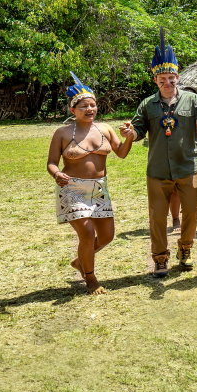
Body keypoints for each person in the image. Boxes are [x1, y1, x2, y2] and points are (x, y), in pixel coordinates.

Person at [122, 30, 197, 278]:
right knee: (157, 217)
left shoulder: (193, 100)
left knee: (192, 212)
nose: (167, 83)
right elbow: (139, 128)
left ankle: (185, 250)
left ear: (177, 77)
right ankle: (160, 258)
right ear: (155, 81)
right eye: (162, 79)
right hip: (158, 170)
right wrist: (132, 134)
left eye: (171, 78)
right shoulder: (147, 104)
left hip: (188, 167)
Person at [47, 74, 133, 294]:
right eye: (84, 106)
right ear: (72, 110)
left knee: (107, 237)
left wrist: (130, 137)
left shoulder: (104, 129)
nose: (90, 109)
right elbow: (51, 163)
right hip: (73, 189)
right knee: (86, 233)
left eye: (93, 105)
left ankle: (81, 261)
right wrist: (57, 174)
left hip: (99, 189)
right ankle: (90, 278)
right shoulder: (63, 133)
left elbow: (121, 153)